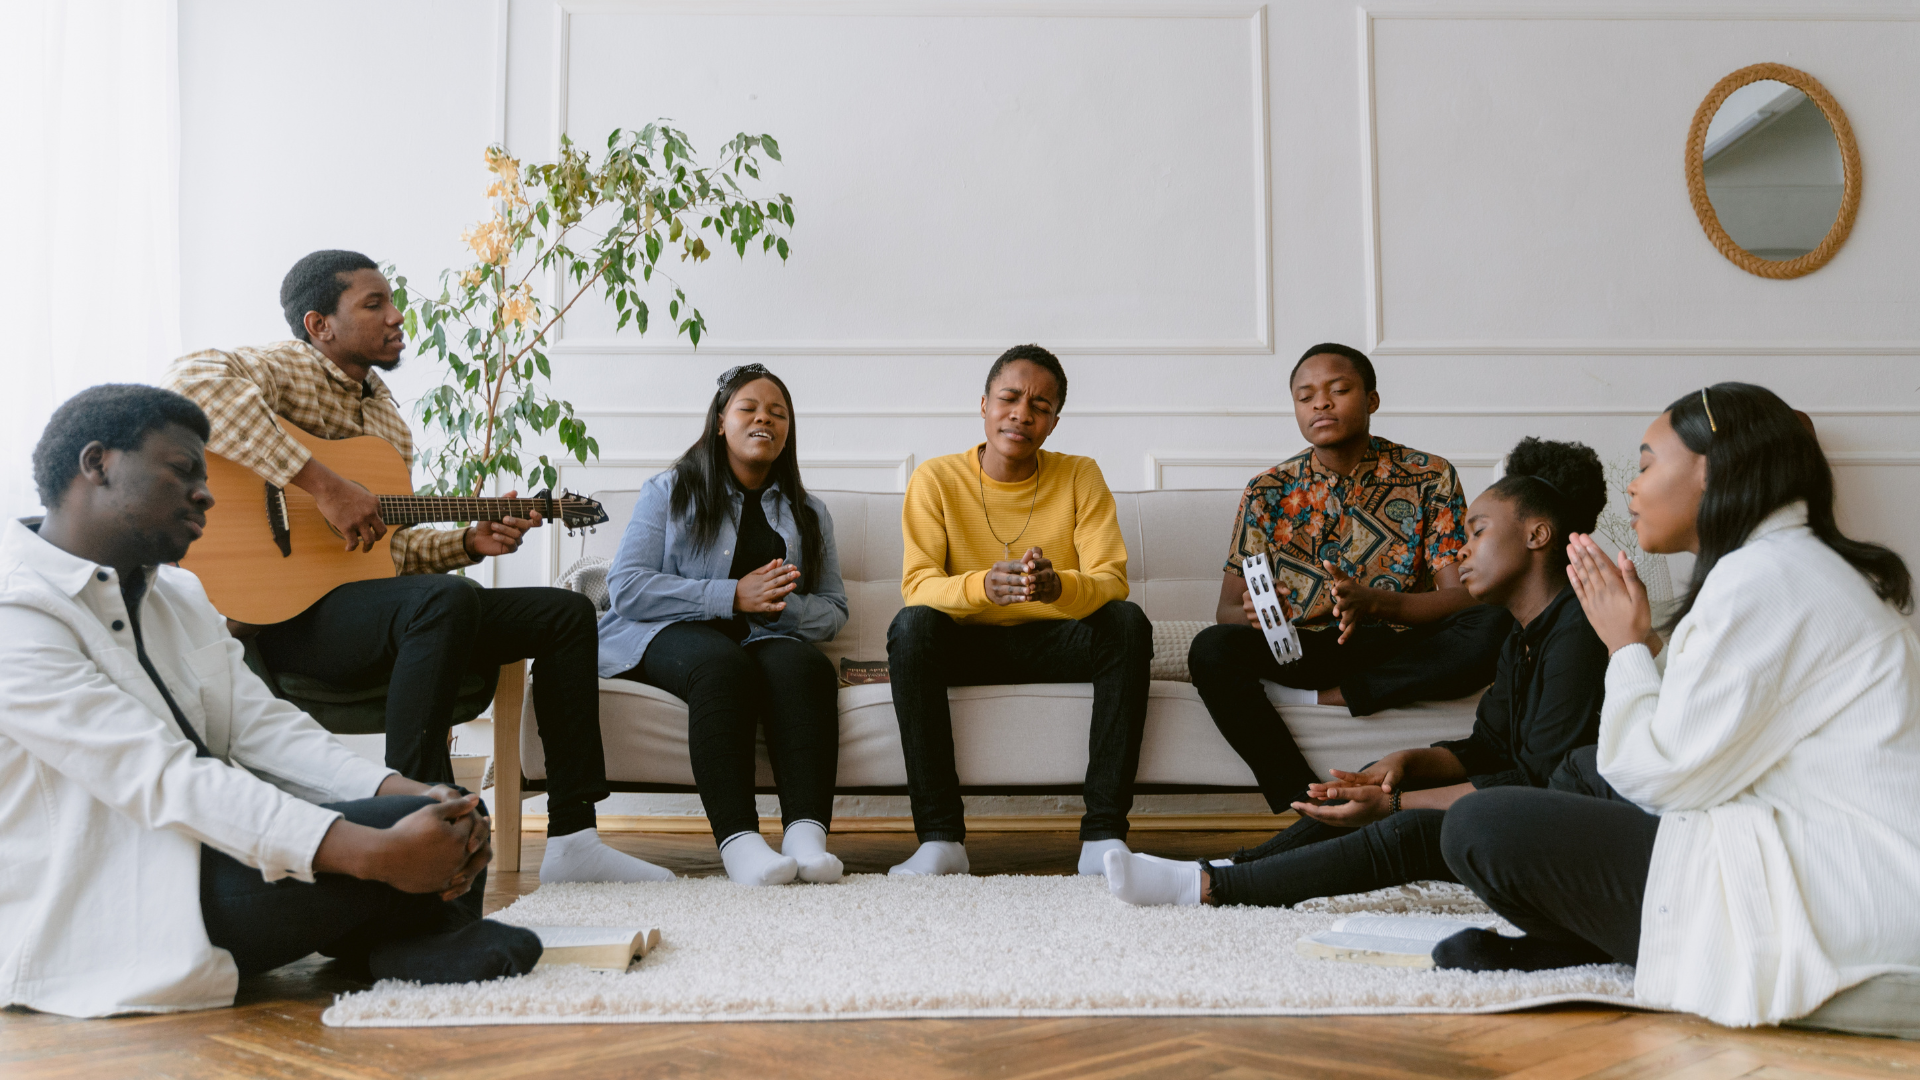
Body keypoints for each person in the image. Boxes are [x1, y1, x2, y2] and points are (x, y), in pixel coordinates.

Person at [0, 385, 541, 1018]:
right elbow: (159, 776)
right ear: (98, 464)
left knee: (438, 821)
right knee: (386, 845)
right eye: (182, 471)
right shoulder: (18, 611)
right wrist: (366, 850)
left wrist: (402, 791)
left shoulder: (179, 594)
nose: (205, 494)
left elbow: (263, 728)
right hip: (117, 897)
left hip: (217, 854)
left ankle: (399, 939)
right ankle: (406, 938)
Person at [164, 249, 669, 885]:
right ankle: (419, 822)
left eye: (392, 301)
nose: (396, 316)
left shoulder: (386, 424)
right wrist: (321, 483)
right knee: (442, 600)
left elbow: (386, 553)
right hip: (287, 623)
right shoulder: (284, 367)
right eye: (373, 304)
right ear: (319, 324)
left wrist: (466, 543)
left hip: (363, 609)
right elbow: (189, 383)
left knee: (564, 613)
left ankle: (573, 838)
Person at [1431, 384, 1920, 1031]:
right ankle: (1595, 940)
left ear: (1710, 468)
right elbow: (1690, 744)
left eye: (1645, 465)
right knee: (1581, 769)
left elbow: (1661, 780)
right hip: (1853, 869)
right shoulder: (1786, 566)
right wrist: (1643, 647)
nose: (1631, 489)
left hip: (1849, 895)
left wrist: (1626, 646)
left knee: (1480, 826)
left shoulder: (1765, 576)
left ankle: (1604, 942)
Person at [1105, 438, 1611, 908]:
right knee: (1370, 791)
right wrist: (1406, 762)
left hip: (1553, 831)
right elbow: (1488, 750)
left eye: (1477, 532)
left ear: (1537, 534)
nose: (1462, 548)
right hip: (1320, 646)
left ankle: (1219, 886)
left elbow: (1534, 782)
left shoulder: (1578, 634)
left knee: (1405, 824)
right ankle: (1231, 866)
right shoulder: (1526, 635)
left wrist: (1395, 803)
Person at [1190, 343, 1512, 811]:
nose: (1320, 403)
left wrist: (1377, 603)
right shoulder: (1267, 490)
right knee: (1210, 649)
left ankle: (1329, 700)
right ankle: (1305, 802)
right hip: (1306, 647)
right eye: (1305, 397)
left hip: (1402, 643)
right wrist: (1258, 614)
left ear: (1372, 400)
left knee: (1494, 621)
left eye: (1338, 390)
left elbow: (1462, 595)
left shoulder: (1430, 476)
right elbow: (1224, 611)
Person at [887, 344, 1153, 877]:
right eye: (1009, 398)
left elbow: (1111, 581)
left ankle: (1102, 836)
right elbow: (918, 585)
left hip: (1058, 643)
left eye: (1040, 406)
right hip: (966, 647)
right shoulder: (936, 479)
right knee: (911, 627)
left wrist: (1058, 588)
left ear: (1054, 422)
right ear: (983, 403)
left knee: (1127, 622)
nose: (1022, 414)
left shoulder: (1081, 476)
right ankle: (941, 840)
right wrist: (982, 585)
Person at [601, 365, 848, 887]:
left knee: (805, 666)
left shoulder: (809, 511)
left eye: (777, 412)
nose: (765, 419)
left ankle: (807, 836)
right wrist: (732, 595)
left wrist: (783, 608)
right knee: (721, 665)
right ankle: (740, 844)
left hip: (766, 637)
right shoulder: (670, 490)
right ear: (719, 422)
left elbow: (834, 608)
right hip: (669, 633)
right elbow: (626, 587)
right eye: (749, 408)